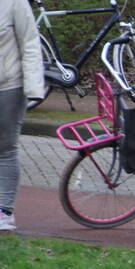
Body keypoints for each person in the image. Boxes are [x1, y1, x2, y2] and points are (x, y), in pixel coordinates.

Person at [0, 0, 45, 232]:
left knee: (5, 148)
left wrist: (34, 89)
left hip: (8, 87)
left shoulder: (14, 3)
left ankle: (4, 212)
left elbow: (30, 43)